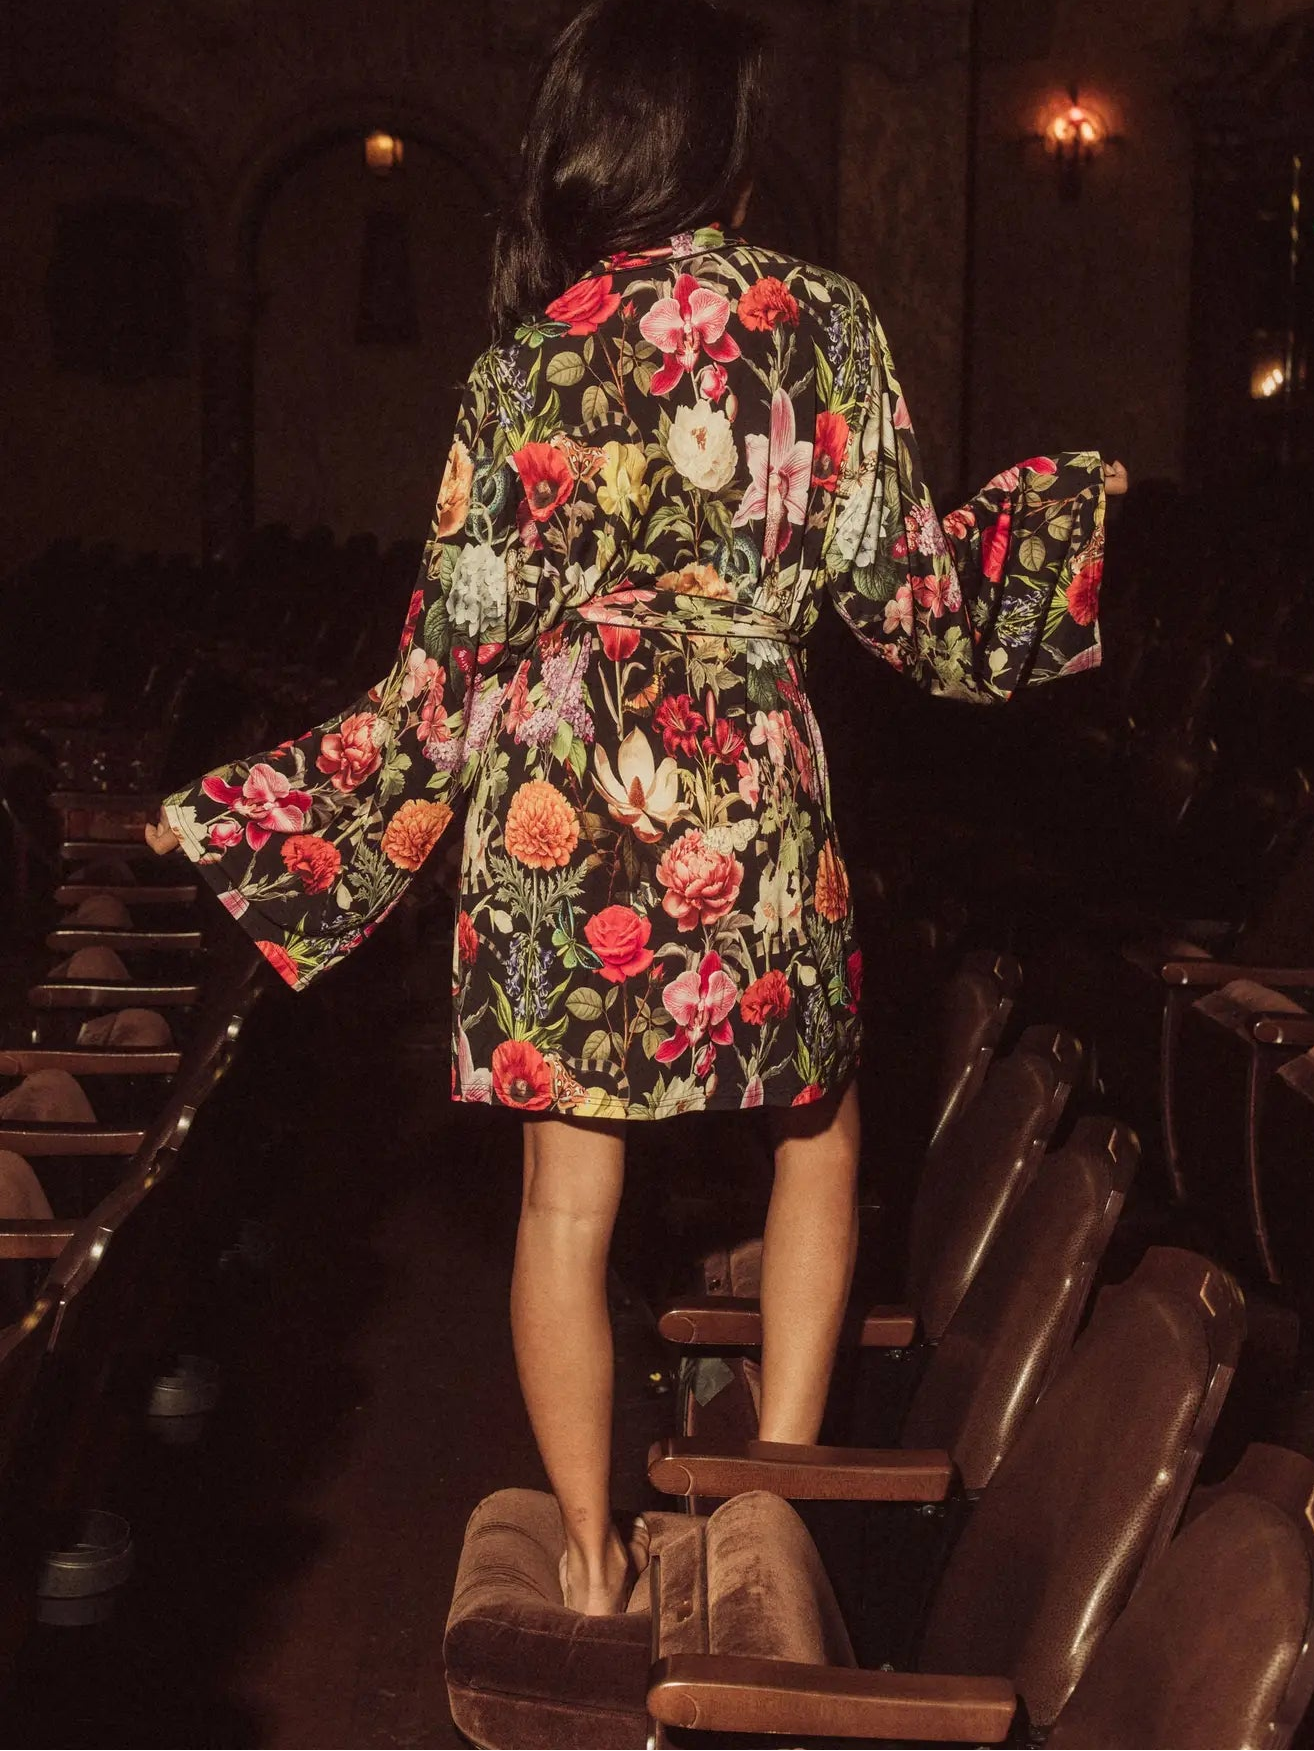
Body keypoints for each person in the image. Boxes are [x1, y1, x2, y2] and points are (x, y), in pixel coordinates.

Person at [148, 0, 1127, 1616]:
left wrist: (249, 815)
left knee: (564, 1194)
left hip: (563, 808)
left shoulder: (525, 363)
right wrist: (1075, 522)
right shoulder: (821, 325)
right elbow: (916, 607)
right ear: (718, 143)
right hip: (755, 794)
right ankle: (773, 1505)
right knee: (815, 1137)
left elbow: (441, 677)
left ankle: (592, 1558)